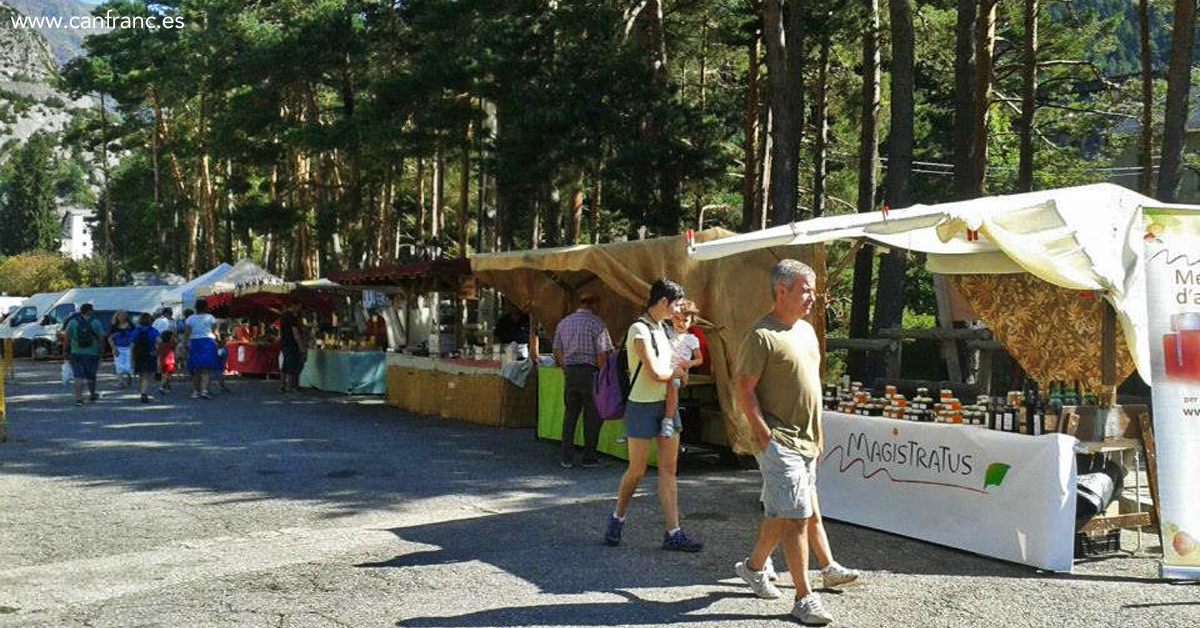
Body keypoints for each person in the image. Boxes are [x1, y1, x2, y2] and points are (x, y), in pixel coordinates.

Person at [732, 259, 859, 626]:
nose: (812, 297)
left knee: (784, 512)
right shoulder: (761, 335)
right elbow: (743, 388)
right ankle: (804, 597)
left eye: (813, 290)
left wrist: (818, 431)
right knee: (797, 518)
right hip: (780, 441)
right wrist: (764, 434)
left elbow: (812, 387)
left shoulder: (804, 331)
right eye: (805, 289)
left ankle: (754, 567)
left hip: (806, 441)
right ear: (781, 291)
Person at [603, 278, 702, 552]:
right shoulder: (639, 329)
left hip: (665, 403)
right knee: (637, 470)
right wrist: (678, 373)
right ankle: (617, 518)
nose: (678, 311)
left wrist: (679, 372)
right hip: (641, 405)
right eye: (675, 305)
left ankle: (674, 532)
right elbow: (655, 373)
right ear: (662, 302)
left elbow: (667, 368)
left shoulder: (661, 328)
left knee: (669, 471)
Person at [552, 294, 614, 468]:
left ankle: (566, 457)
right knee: (592, 416)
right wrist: (604, 376)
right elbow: (602, 355)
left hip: (571, 373)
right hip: (590, 372)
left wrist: (566, 368)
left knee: (570, 415)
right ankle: (589, 457)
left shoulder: (564, 323)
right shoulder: (596, 324)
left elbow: (557, 350)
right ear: (594, 305)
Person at [662, 299, 703, 438]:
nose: (680, 323)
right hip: (665, 369)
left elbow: (700, 359)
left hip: (680, 371)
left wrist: (690, 363)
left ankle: (668, 420)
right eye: (677, 318)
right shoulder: (667, 332)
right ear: (671, 317)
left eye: (685, 320)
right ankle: (676, 423)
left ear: (691, 322)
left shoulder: (691, 339)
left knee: (673, 385)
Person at [63, 303, 106, 406]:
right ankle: (92, 394)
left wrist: (65, 351)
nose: (94, 311)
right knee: (91, 375)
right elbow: (101, 336)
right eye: (92, 309)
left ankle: (79, 398)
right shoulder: (95, 322)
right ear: (89, 311)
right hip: (92, 353)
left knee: (78, 376)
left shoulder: (73, 322)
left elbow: (67, 338)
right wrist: (101, 349)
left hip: (76, 352)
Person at [182, 299, 223, 399]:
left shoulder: (190, 319)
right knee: (206, 369)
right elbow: (215, 332)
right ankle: (205, 390)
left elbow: (187, 333)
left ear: (195, 307)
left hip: (195, 343)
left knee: (197, 369)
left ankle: (196, 391)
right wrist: (219, 341)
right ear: (206, 307)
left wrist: (185, 344)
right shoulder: (211, 318)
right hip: (208, 342)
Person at [131, 313, 160, 403]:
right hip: (150, 355)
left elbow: (132, 345)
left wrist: (132, 358)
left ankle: (142, 391)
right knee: (147, 375)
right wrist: (156, 352)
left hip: (139, 356)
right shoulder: (153, 331)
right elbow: (158, 343)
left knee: (142, 374)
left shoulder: (136, 331)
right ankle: (144, 393)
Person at [279, 302, 305, 393]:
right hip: (292, 344)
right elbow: (295, 333)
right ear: (294, 305)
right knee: (292, 365)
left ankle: (282, 385)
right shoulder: (292, 318)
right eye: (299, 306)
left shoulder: (283, 317)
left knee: (285, 365)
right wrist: (301, 346)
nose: (299, 309)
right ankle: (289, 386)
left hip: (284, 343)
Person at [109, 311, 136, 388]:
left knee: (128, 364)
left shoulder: (131, 326)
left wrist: (132, 348)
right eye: (120, 316)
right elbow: (110, 338)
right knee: (119, 365)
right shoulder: (114, 327)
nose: (122, 317)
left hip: (128, 347)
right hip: (118, 347)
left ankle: (128, 375)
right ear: (117, 317)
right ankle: (121, 382)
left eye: (124, 316)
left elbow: (134, 338)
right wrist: (114, 348)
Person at [158, 329, 178, 393]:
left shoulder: (161, 345)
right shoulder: (172, 344)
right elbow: (178, 341)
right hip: (170, 361)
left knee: (164, 374)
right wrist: (175, 335)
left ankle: (168, 387)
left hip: (162, 361)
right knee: (168, 375)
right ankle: (162, 386)